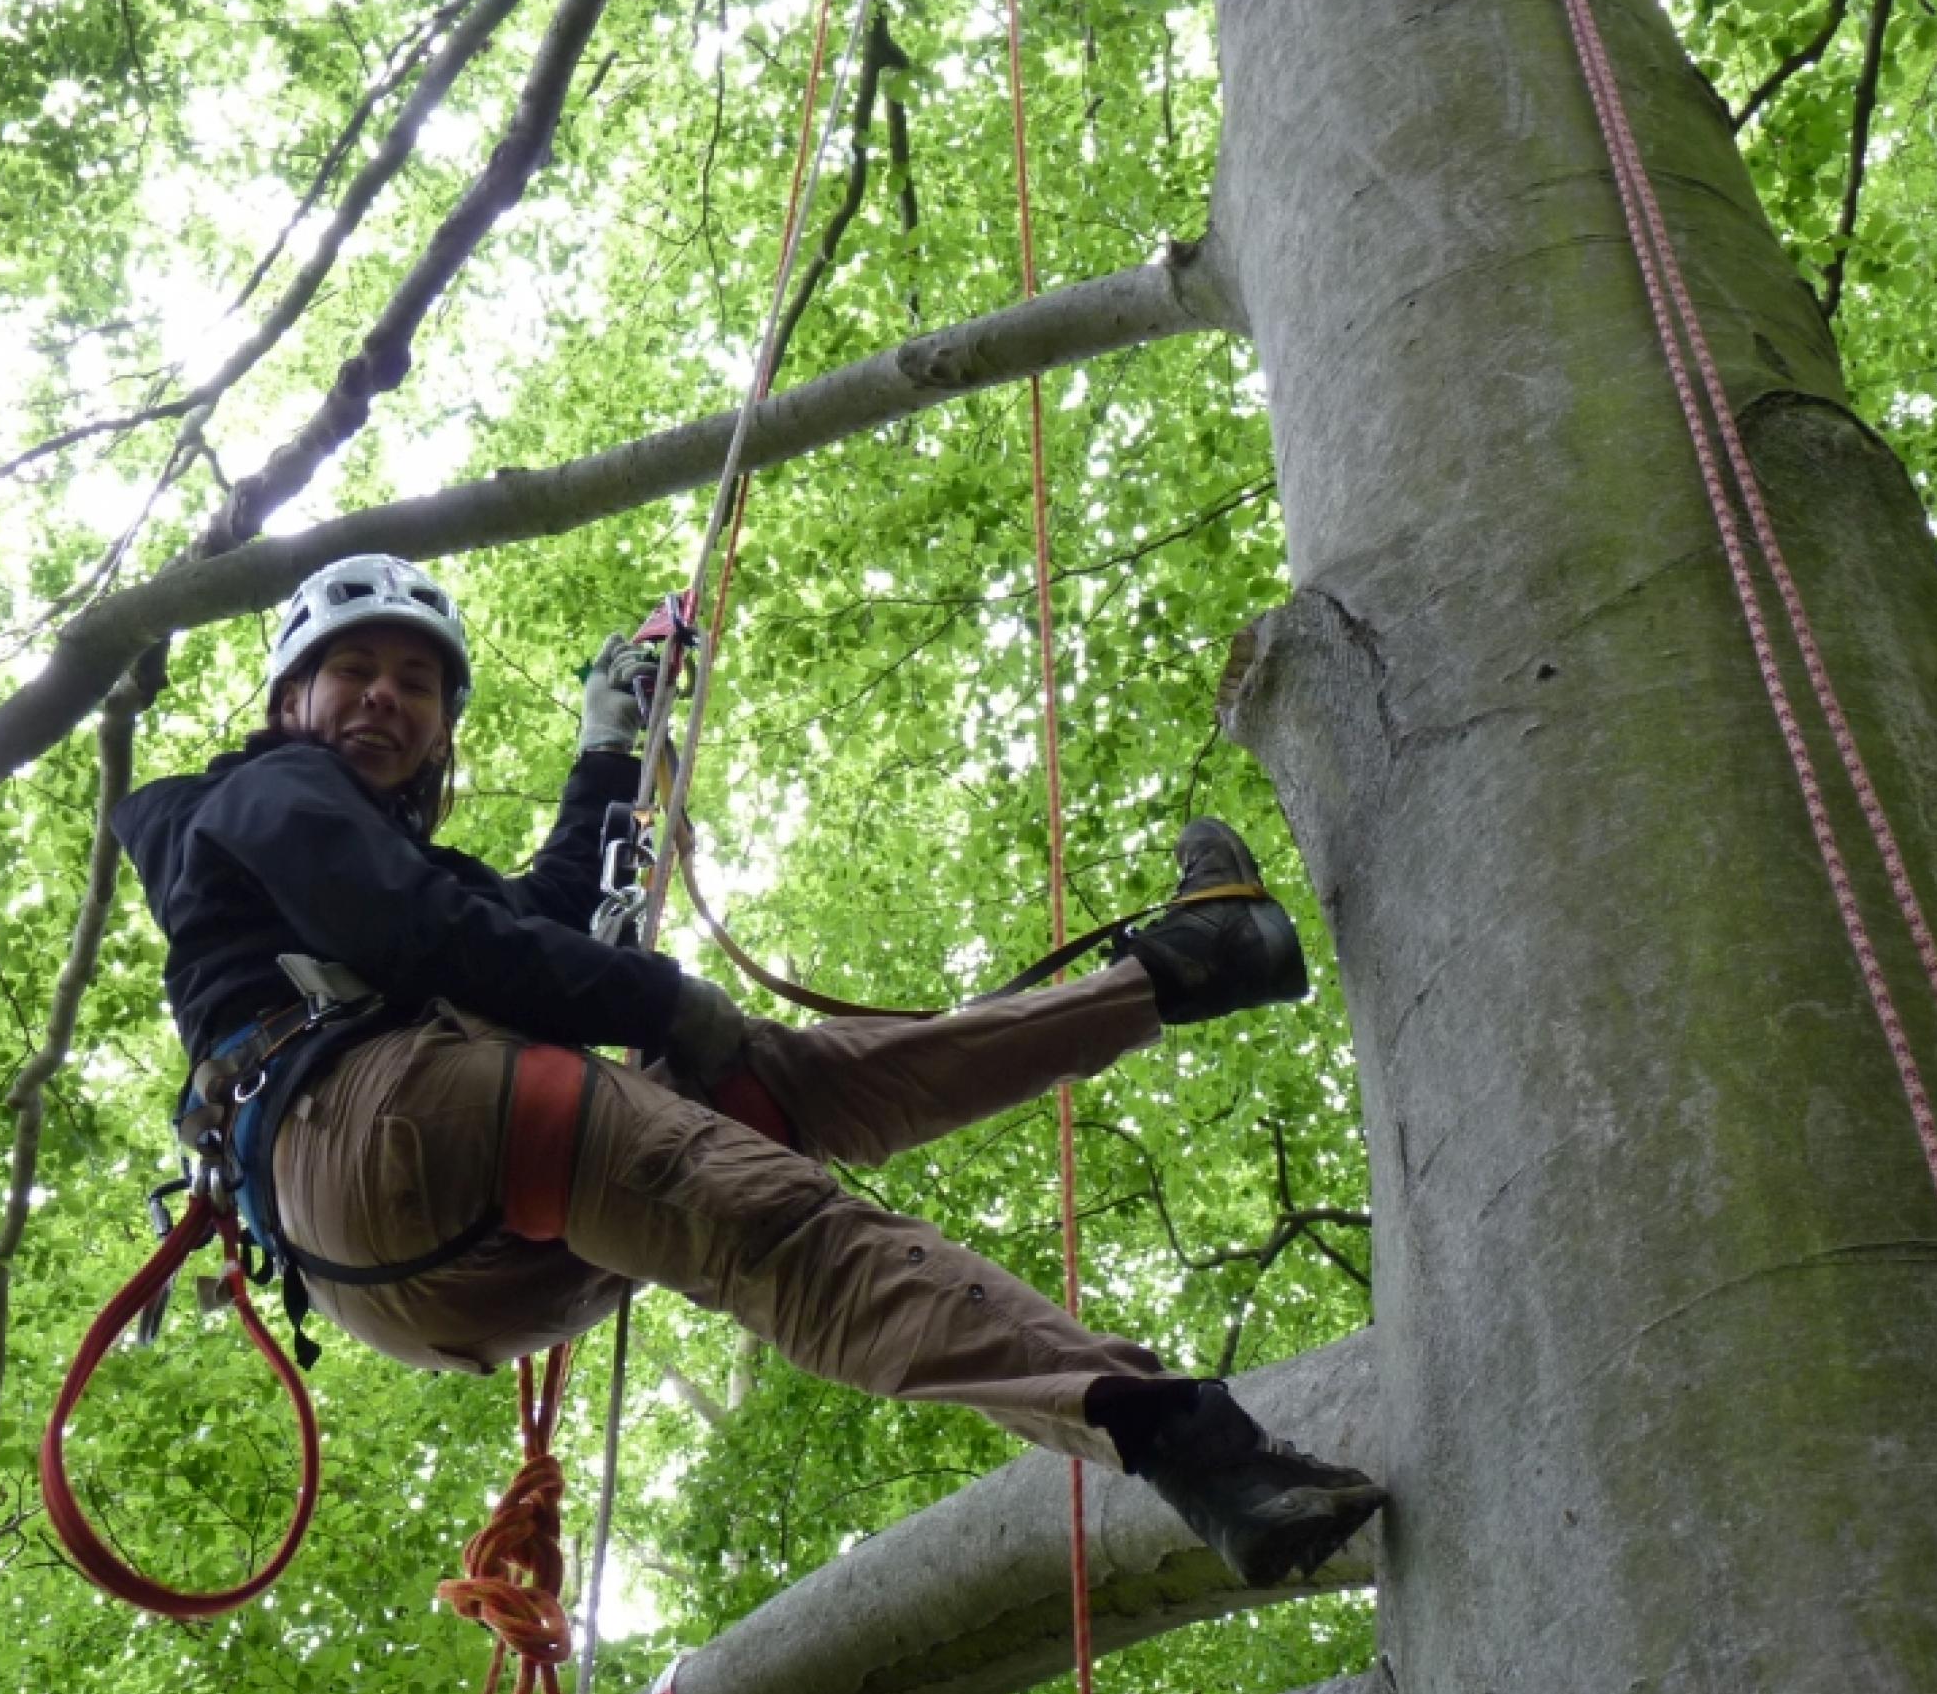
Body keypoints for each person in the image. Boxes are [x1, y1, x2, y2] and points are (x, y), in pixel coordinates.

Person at [109, 553, 1383, 1586]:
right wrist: (664, 992)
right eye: (350, 671)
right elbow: (425, 936)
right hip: (384, 1123)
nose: (383, 697)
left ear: (442, 728)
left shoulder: (361, 849)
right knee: (795, 1234)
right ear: (288, 701)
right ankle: (1198, 1450)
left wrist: (611, 743)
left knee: (770, 1093)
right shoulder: (256, 793)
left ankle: (1186, 968)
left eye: (413, 683)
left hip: (431, 1271)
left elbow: (536, 922)